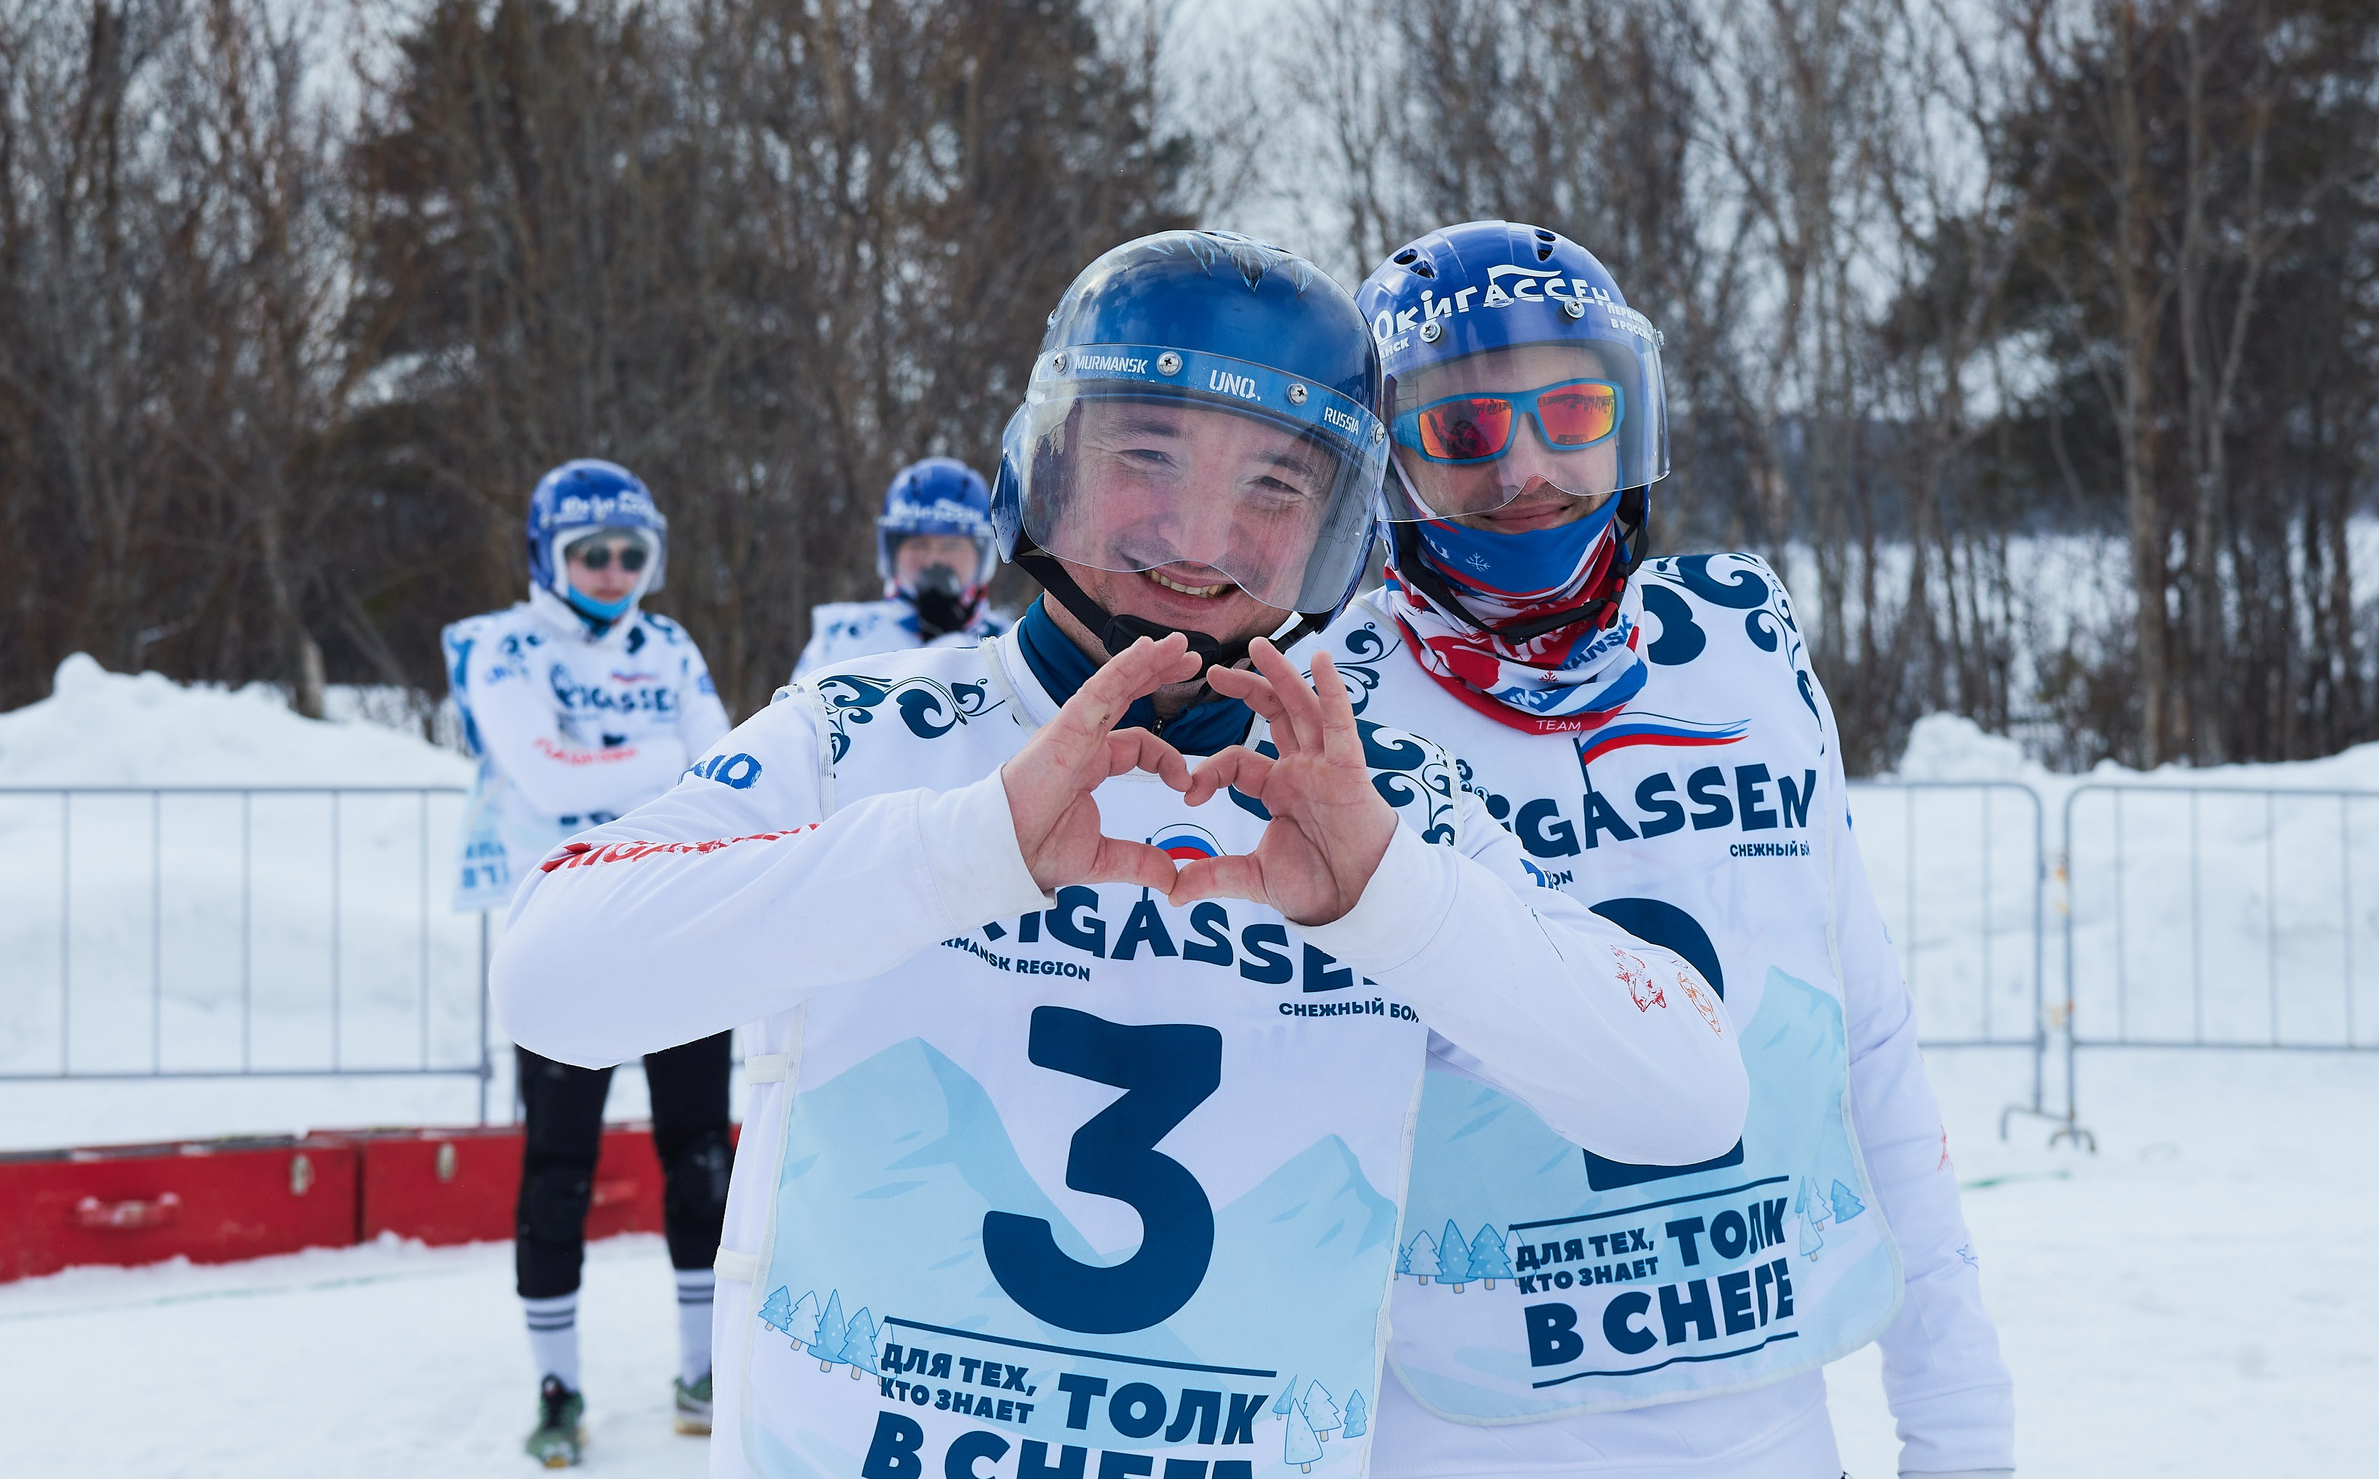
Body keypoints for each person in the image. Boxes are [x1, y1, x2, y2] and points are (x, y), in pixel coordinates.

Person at [491, 230, 1751, 1479]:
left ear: (1341, 532)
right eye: (1147, 456)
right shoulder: (870, 736)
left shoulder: (1368, 803)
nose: (1201, 538)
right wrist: (959, 852)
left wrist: (1393, 902)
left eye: (1274, 487)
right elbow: (552, 980)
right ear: (1045, 467)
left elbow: (1687, 1096)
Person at [1302, 220, 2012, 1479]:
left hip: (1766, 1421)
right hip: (1459, 1431)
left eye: (1570, 413)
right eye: (1462, 430)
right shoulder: (1323, 708)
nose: (1525, 468)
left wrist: (1960, 1432)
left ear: (1627, 421)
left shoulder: (1738, 649)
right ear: (1385, 455)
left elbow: (1868, 1045)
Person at [442, 459, 738, 1466]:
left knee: (700, 1152)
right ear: (545, 554)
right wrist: (664, 765)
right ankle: (556, 1386)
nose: (612, 573)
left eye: (630, 555)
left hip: (679, 924)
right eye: (589, 555)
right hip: (566, 932)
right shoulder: (501, 645)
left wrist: (610, 767)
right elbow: (541, 770)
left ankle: (700, 1367)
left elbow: (728, 763)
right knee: (560, 1165)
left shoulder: (671, 643)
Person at [790, 457, 1008, 680]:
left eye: (951, 546)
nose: (934, 560)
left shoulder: (1010, 648)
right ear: (893, 553)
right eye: (918, 545)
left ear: (982, 555)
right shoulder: (844, 641)